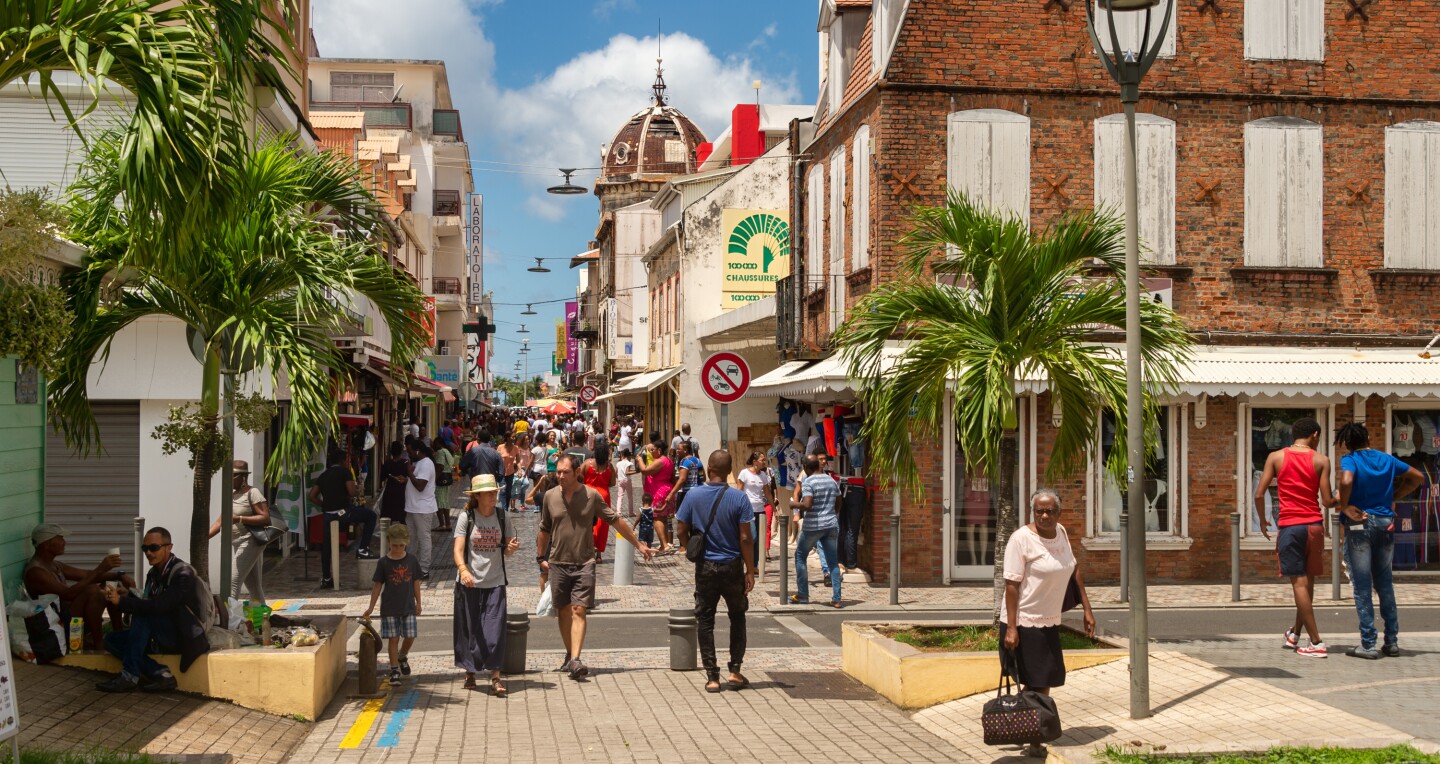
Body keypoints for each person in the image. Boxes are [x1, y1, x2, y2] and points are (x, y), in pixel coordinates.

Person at [536, 454, 654, 680]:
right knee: (563, 611)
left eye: (565, 472)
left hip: (584, 563)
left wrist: (638, 544)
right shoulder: (550, 497)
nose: (560, 476)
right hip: (558, 562)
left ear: (576, 472)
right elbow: (544, 528)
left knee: (578, 609)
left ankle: (576, 659)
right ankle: (571, 654)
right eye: (558, 472)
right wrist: (540, 557)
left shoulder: (592, 496)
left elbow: (615, 520)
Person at [1002, 489, 1095, 759]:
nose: (1044, 515)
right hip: (1024, 621)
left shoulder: (1061, 533)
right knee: (1037, 682)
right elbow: (1011, 584)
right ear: (1033, 512)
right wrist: (1011, 627)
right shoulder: (1021, 539)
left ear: (1059, 513)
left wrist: (1087, 609)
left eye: (1050, 511)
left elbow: (1074, 569)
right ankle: (1034, 739)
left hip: (1049, 621)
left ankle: (1030, 731)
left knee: (1043, 680)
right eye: (1039, 511)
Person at [1334, 422, 1423, 659]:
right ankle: (1392, 641)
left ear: (1347, 444)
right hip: (1385, 522)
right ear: (1368, 438)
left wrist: (1345, 506)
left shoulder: (1351, 460)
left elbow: (1346, 481)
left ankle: (1368, 644)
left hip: (1359, 522)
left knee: (1362, 585)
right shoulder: (1387, 460)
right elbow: (1417, 476)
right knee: (1384, 583)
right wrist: (1394, 496)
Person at [1254, 416, 1337, 658]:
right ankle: (1295, 634)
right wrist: (1344, 499)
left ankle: (1317, 642)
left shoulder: (1276, 457)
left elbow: (1260, 494)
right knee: (1307, 584)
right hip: (1315, 526)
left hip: (1291, 526)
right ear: (1314, 435)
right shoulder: (1322, 460)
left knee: (1299, 585)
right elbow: (1327, 501)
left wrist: (1262, 520)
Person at [676, 450, 757, 693]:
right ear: (730, 470)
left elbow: (681, 528)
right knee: (737, 616)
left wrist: (689, 545)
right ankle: (734, 670)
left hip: (706, 567)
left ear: (708, 467)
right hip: (732, 565)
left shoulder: (693, 495)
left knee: (706, 619)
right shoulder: (739, 498)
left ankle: (712, 676)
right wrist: (750, 570)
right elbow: (746, 538)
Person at [97, 527, 209, 693]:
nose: (148, 552)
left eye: (154, 548)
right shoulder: (153, 573)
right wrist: (128, 594)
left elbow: (159, 606)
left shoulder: (183, 574)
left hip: (184, 636)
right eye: (145, 549)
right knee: (112, 640)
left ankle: (129, 676)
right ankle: (160, 674)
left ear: (169, 547)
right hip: (160, 633)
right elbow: (150, 602)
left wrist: (121, 601)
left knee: (145, 615)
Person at [452, 475, 521, 694]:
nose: (494, 495)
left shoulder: (503, 516)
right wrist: (463, 570)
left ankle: (495, 676)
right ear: (478, 496)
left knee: (495, 630)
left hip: (495, 581)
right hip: (469, 582)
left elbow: (507, 550)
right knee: (469, 630)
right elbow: (458, 550)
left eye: (495, 491)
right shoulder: (466, 517)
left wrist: (511, 549)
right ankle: (470, 673)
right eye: (490, 492)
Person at [23, 525, 130, 651]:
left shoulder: (55, 565)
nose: (64, 542)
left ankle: (118, 635)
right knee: (92, 590)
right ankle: (99, 645)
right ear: (46, 544)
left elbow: (87, 575)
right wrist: (100, 568)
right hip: (59, 624)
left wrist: (119, 575)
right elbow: (68, 594)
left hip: (71, 614)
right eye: (60, 538)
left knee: (110, 585)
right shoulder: (36, 572)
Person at [362, 523, 421, 686]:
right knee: (393, 639)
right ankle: (394, 669)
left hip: (408, 606)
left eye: (401, 545)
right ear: (388, 542)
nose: (397, 548)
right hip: (389, 607)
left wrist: (419, 602)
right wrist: (371, 606)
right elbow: (377, 586)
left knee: (410, 636)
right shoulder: (383, 562)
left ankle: (403, 656)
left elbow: (416, 582)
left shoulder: (411, 560)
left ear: (406, 543)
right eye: (395, 545)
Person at [207, 460, 272, 603]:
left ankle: (229, 619)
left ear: (243, 477)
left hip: (250, 541)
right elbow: (220, 522)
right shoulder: (232, 495)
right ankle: (262, 619)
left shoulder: (253, 492)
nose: (230, 479)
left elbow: (265, 518)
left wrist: (240, 518)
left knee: (232, 581)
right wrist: (204, 538)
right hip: (237, 542)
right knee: (253, 585)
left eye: (233, 476)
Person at [309, 447, 372, 590]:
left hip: (327, 515)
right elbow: (351, 492)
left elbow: (311, 496)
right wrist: (358, 489)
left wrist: (324, 504)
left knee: (327, 547)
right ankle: (363, 548)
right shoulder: (345, 472)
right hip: (344, 513)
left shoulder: (324, 475)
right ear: (343, 461)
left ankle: (326, 578)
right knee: (371, 517)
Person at [791, 455, 843, 607]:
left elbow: (807, 504)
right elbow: (839, 500)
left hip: (812, 527)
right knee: (833, 562)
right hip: (831, 524)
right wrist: (832, 514)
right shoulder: (831, 480)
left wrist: (794, 504)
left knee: (800, 556)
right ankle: (837, 599)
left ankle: (803, 595)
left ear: (806, 468)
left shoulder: (808, 482)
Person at [404, 440, 439, 580]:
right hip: (412, 508)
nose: (408, 454)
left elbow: (420, 486)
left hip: (422, 509)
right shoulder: (418, 463)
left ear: (418, 450)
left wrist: (409, 474)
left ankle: (424, 569)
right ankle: (411, 566)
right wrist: (406, 479)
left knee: (423, 538)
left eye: (410, 451)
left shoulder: (426, 464)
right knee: (411, 538)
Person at [636, 437, 677, 554]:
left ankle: (664, 545)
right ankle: (664, 544)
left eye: (653, 450)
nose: (651, 452)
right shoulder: (669, 461)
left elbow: (645, 470)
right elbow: (673, 479)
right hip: (666, 490)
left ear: (659, 450)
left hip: (659, 492)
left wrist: (639, 459)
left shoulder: (661, 461)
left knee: (656, 518)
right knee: (662, 518)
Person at [737, 451, 776, 567]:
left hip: (761, 510)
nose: (764, 462)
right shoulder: (744, 473)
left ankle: (754, 565)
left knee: (759, 539)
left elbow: (768, 494)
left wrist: (774, 509)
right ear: (754, 462)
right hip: (748, 510)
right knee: (751, 537)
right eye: (762, 460)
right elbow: (739, 491)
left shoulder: (763, 475)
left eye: (765, 460)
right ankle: (742, 560)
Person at [582, 439, 618, 558]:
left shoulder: (588, 463)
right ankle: (598, 555)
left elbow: (578, 476)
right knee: (602, 524)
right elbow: (612, 482)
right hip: (603, 495)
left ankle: (588, 547)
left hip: (588, 493)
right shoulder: (609, 466)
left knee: (587, 521)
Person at [378, 442, 411, 526]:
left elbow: (382, 478)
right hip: (402, 492)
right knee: (402, 516)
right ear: (401, 451)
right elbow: (410, 476)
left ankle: (387, 536)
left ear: (391, 451)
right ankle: (403, 535)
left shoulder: (387, 463)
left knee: (388, 515)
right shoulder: (406, 463)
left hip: (389, 491)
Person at [433, 443, 457, 532]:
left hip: (441, 479)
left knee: (439, 501)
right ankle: (448, 524)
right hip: (448, 479)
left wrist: (434, 479)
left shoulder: (440, 452)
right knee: (445, 502)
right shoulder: (447, 451)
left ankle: (442, 524)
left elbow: (440, 466)